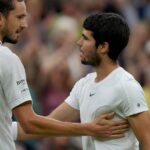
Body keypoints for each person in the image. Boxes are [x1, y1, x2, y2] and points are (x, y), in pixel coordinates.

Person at [0, 0, 128, 150]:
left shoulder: (125, 85)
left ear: (104, 47)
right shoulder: (8, 59)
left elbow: (16, 127)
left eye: (85, 38)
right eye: (19, 17)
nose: (25, 24)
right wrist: (88, 129)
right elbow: (30, 124)